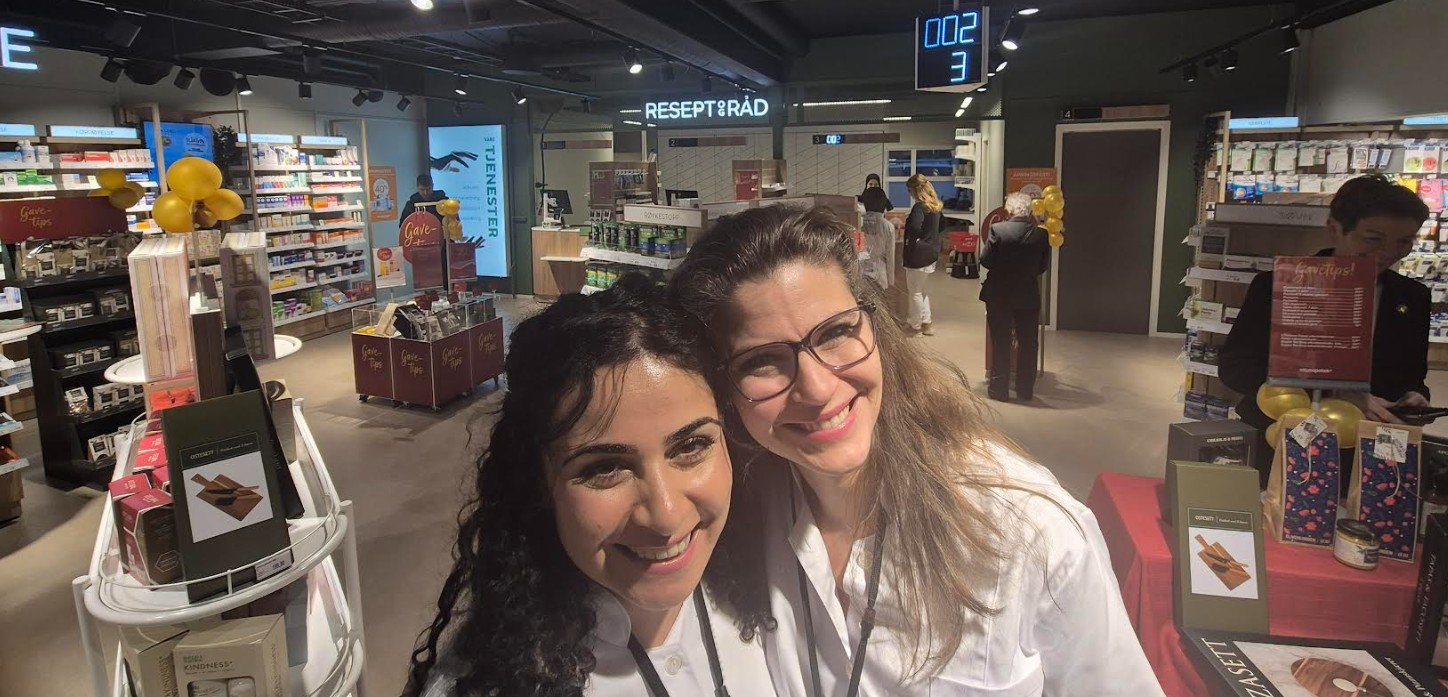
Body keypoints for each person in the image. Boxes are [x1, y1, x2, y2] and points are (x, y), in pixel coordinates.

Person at [669, 206, 1164, 696]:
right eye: (762, 361)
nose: (817, 389)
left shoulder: (1029, 531)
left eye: (836, 332)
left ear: (874, 328)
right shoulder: (732, 517)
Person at [404, 276, 775, 697]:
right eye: (605, 468)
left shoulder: (764, 584)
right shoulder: (491, 682)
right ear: (538, 481)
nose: (666, 515)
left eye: (691, 446)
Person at [1219, 174, 1432, 487]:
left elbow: (1413, 375)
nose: (1388, 252)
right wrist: (1331, 391)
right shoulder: (1279, 285)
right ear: (1335, 228)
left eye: (1404, 242)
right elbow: (1235, 369)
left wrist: (1415, 399)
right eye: (1373, 239)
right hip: (1281, 442)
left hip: (1371, 453)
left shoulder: (1412, 297)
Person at [979, 192, 1051, 402]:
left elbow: (985, 260)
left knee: (1000, 341)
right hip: (1027, 295)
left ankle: (999, 390)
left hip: (999, 294)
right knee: (1028, 343)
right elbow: (1042, 267)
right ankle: (1025, 390)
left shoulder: (998, 230)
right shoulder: (1041, 235)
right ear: (1029, 212)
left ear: (1009, 210)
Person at [902, 174, 943, 336]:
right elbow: (942, 225)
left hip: (918, 254)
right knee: (922, 290)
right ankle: (927, 323)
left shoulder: (919, 207)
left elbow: (914, 228)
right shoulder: (935, 206)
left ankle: (915, 326)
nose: (909, 194)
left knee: (914, 292)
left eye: (909, 190)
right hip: (931, 253)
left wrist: (914, 239)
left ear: (916, 190)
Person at [857, 174, 896, 289]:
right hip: (880, 272)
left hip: (861, 271)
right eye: (871, 184)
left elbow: (857, 248)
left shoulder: (858, 222)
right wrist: (891, 279)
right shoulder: (888, 226)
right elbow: (890, 254)